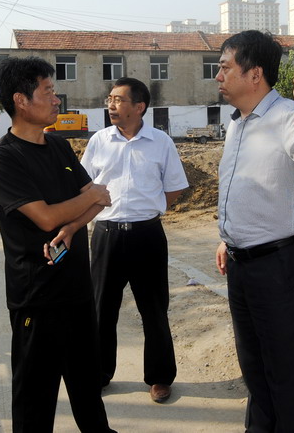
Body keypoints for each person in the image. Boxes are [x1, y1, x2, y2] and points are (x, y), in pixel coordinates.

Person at [0, 56, 116, 433]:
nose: (57, 100)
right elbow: (45, 217)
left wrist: (72, 225)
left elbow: (99, 201)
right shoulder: (3, 158)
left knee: (88, 390)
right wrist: (89, 198)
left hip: (77, 290)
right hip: (37, 298)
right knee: (34, 400)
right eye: (48, 92)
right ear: (21, 100)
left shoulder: (58, 147)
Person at [214, 30, 294, 432]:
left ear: (255, 74)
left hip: (281, 265)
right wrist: (228, 236)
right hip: (241, 264)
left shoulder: (288, 115)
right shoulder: (237, 124)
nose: (218, 76)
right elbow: (246, 186)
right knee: (255, 367)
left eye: (225, 67)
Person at [80, 77, 188, 404]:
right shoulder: (99, 141)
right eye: (110, 99)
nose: (111, 105)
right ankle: (99, 373)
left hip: (147, 236)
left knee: (154, 310)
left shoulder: (160, 142)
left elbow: (174, 187)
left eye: (118, 100)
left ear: (139, 107)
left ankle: (159, 377)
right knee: (101, 309)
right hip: (106, 235)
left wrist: (148, 209)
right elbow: (84, 187)